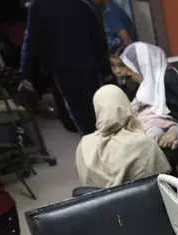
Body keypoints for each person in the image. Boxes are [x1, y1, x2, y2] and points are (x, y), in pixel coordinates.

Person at [20, 0, 111, 135]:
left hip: (62, 68)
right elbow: (98, 38)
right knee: (96, 106)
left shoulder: (39, 7)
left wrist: (24, 72)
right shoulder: (82, 4)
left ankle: (92, 145)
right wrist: (106, 69)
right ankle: (107, 140)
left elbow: (32, 41)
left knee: (78, 110)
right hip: (89, 65)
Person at [76, 85, 171, 188]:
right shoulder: (142, 143)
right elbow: (161, 184)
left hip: (98, 203)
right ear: (126, 106)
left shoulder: (84, 144)